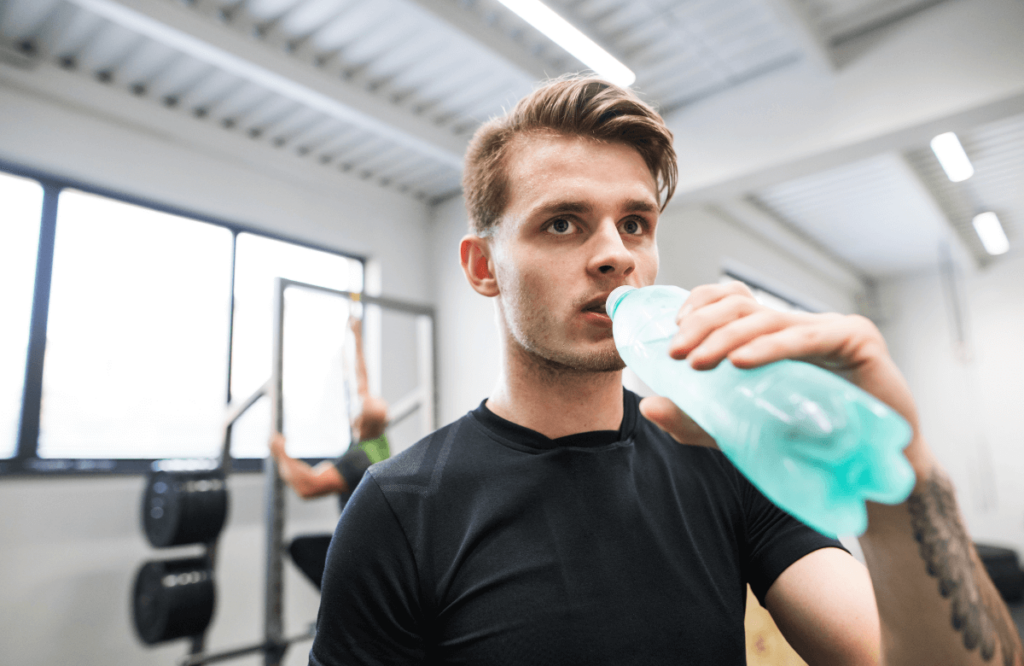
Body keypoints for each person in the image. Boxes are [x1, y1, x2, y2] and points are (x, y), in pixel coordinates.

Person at [309, 76, 1023, 665]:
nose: (615, 253)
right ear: (482, 267)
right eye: (563, 222)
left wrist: (896, 468)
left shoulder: (721, 458)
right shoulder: (400, 508)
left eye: (636, 223)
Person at [270, 314, 391, 589]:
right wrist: (357, 338)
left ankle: (345, 608)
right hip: (382, 552)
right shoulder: (380, 441)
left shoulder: (360, 460)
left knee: (300, 548)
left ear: (357, 423)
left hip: (368, 558)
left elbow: (307, 486)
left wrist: (280, 452)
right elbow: (363, 384)